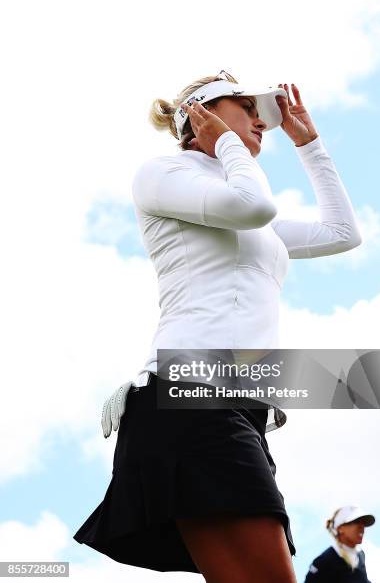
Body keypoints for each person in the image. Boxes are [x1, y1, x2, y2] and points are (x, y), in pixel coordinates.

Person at [73, 70, 362, 582]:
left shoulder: (251, 215)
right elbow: (252, 206)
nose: (259, 121)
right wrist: (228, 145)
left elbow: (342, 232)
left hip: (238, 401)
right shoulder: (163, 173)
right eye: (246, 107)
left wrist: (310, 146)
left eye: (261, 114)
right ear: (200, 115)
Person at [304, 505, 375, 582]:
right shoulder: (325, 560)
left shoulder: (360, 554)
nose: (362, 527)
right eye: (356, 522)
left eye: (363, 523)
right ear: (340, 528)